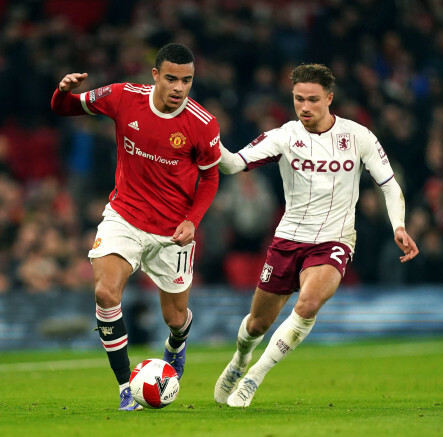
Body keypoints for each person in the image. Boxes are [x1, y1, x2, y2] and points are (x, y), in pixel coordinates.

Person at [214, 64, 419, 407]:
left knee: (308, 304)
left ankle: (253, 379)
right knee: (256, 325)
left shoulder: (358, 136)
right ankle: (240, 360)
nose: (304, 107)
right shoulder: (283, 135)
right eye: (298, 99)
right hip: (288, 239)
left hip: (334, 240)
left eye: (312, 100)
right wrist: (209, 142)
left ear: (329, 98)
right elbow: (234, 164)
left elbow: (389, 184)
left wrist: (398, 225)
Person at [51, 43, 221, 411]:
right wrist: (62, 92)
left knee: (174, 319)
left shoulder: (202, 124)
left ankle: (176, 345)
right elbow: (65, 108)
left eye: (187, 80)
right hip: (124, 217)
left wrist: (193, 220)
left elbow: (210, 178)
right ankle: (125, 387)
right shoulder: (123, 96)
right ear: (156, 75)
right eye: (172, 78)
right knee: (106, 294)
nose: (179, 87)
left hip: (172, 232)